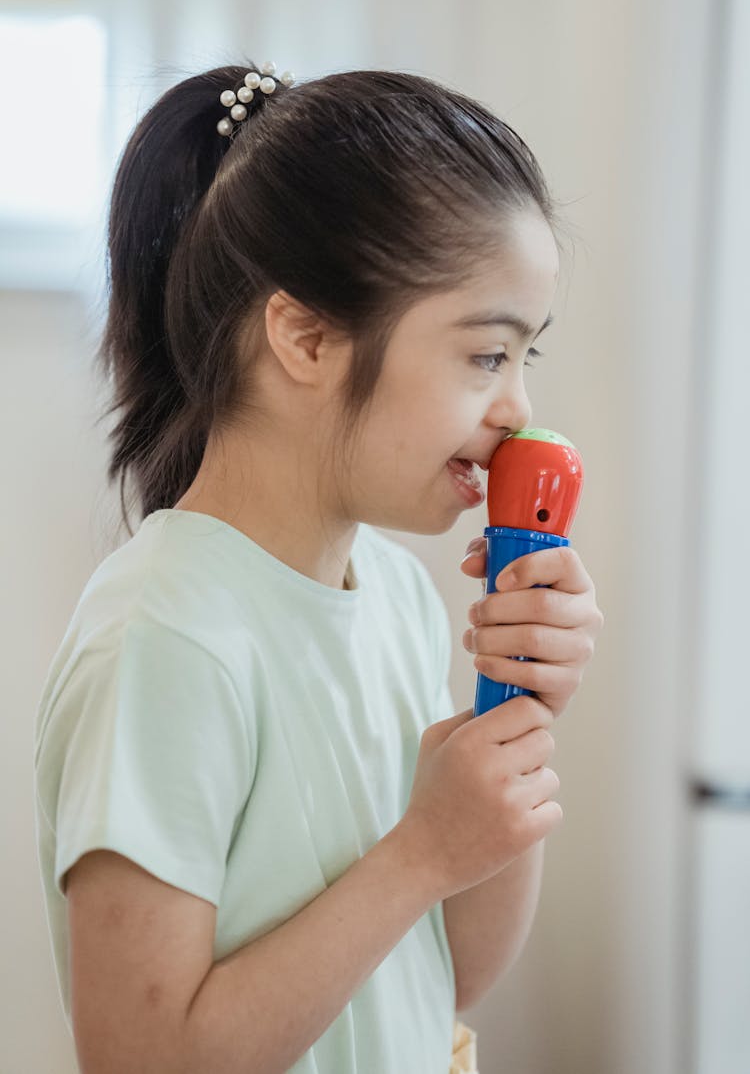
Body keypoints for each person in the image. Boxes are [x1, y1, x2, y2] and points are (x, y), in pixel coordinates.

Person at [34, 60, 603, 1074]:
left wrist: (511, 720)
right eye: (485, 355)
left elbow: (446, 973)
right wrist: (421, 850)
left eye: (528, 359)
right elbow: (139, 1057)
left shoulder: (389, 595)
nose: (517, 408)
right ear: (304, 335)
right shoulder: (165, 637)